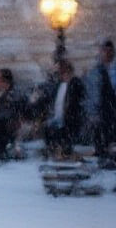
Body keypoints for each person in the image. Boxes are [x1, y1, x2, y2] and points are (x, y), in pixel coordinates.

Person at [43, 58, 85, 159]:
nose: (60, 73)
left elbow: (76, 104)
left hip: (70, 119)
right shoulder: (58, 85)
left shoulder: (76, 83)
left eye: (62, 70)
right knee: (47, 128)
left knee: (63, 131)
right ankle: (54, 152)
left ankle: (64, 151)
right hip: (57, 118)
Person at [84, 40, 115, 168]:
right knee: (101, 134)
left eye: (109, 51)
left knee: (110, 135)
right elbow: (92, 92)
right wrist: (92, 111)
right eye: (104, 51)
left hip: (111, 107)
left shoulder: (112, 69)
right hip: (102, 107)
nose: (106, 54)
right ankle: (103, 157)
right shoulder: (97, 70)